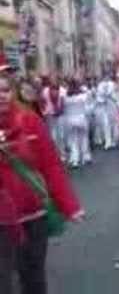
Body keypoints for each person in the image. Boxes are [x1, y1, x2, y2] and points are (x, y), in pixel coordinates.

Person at [0, 64, 84, 294]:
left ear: (14, 92)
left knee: (33, 277)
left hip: (33, 214)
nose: (1, 96)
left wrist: (69, 205)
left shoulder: (30, 122)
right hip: (2, 221)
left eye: (5, 90)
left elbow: (51, 165)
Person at [63, 78, 92, 168]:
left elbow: (64, 109)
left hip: (70, 119)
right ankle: (85, 157)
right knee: (84, 138)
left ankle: (75, 159)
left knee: (73, 140)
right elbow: (88, 109)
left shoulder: (66, 97)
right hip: (82, 118)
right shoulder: (83, 96)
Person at [41, 75, 67, 161]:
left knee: (61, 135)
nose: (53, 82)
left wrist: (59, 111)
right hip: (50, 115)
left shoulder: (63, 90)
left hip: (60, 116)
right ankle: (55, 154)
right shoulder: (45, 91)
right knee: (53, 136)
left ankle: (63, 153)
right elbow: (43, 101)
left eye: (55, 80)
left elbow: (63, 103)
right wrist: (44, 111)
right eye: (51, 81)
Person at [96, 73, 119, 150]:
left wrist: (110, 95)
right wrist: (104, 96)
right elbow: (99, 95)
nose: (106, 78)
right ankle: (108, 142)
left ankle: (114, 140)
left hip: (112, 105)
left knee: (114, 124)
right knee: (106, 124)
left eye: (107, 76)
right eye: (104, 76)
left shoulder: (112, 84)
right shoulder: (100, 85)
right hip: (104, 106)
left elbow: (113, 94)